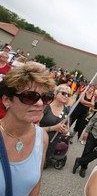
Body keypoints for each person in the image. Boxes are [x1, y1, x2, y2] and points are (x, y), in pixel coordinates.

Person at [0, 62, 55, 195]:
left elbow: (35, 185)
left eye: (46, 97)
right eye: (30, 97)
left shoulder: (42, 137)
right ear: (7, 100)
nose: (40, 103)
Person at [39, 84, 70, 168]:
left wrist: (65, 131)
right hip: (39, 141)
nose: (66, 96)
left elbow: (67, 130)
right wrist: (53, 128)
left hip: (52, 144)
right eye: (63, 93)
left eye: (68, 94)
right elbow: (34, 128)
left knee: (43, 166)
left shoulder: (67, 111)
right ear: (56, 94)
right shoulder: (45, 106)